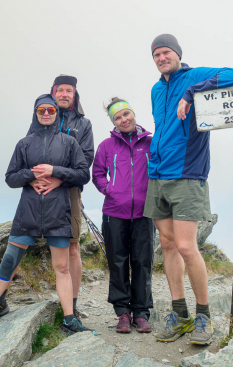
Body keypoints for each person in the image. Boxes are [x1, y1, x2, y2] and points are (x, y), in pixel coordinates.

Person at [143, 34, 233, 345]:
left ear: (177, 54)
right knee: (169, 246)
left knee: (187, 247)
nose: (162, 58)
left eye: (166, 52)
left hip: (187, 174)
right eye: (157, 54)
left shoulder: (195, 75)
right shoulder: (156, 89)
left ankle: (204, 316)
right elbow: (163, 128)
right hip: (157, 175)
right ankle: (180, 314)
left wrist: (191, 92)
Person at [0, 94, 96, 337]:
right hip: (27, 213)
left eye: (51, 110)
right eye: (41, 110)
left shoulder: (69, 143)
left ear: (57, 113)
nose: (46, 113)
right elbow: (10, 178)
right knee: (9, 262)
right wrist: (31, 176)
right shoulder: (24, 143)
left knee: (62, 267)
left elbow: (83, 175)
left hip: (58, 213)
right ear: (35, 113)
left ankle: (69, 320)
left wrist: (56, 173)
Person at [92, 98, 154, 334]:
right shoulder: (107, 145)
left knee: (142, 261)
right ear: (113, 122)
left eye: (126, 114)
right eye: (118, 117)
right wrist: (110, 190)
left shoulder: (150, 141)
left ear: (134, 114)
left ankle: (141, 312)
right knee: (117, 262)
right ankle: (123, 313)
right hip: (114, 212)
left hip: (144, 212)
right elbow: (97, 173)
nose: (124, 119)